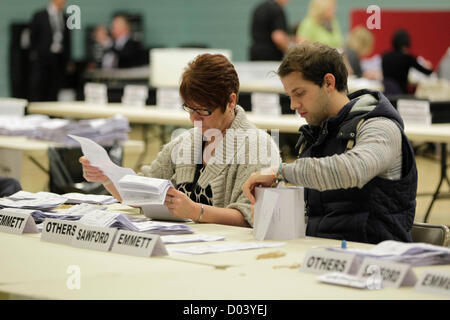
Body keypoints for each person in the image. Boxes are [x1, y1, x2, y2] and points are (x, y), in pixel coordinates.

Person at [242, 42, 418, 244]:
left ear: (328, 82)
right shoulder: (315, 135)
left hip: (372, 263)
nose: (293, 105)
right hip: (319, 255)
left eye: (299, 93)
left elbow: (353, 170)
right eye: (289, 96)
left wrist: (281, 171)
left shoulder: (379, 127)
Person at [80, 54, 280, 227]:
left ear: (231, 102)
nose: (194, 118)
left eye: (203, 111)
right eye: (190, 109)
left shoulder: (259, 148)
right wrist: (106, 177)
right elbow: (142, 194)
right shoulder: (184, 142)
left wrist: (196, 211)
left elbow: (251, 216)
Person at [29, 0, 72, 101]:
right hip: (42, 59)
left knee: (54, 88)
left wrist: (68, 59)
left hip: (58, 59)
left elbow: (68, 41)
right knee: (39, 87)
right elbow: (33, 37)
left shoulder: (65, 18)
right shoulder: (39, 16)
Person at [382, 29, 433, 95]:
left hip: (386, 94)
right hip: (401, 93)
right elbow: (426, 72)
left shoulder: (385, 56)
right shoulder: (407, 58)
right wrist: (430, 68)